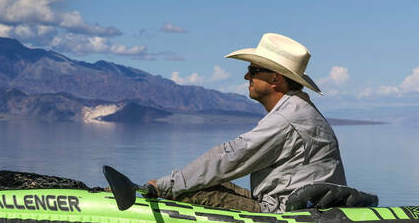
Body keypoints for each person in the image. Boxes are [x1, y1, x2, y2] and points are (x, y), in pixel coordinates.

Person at [146, 33, 345, 213]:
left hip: (284, 212)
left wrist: (165, 185)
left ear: (275, 78)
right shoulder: (300, 109)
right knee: (198, 183)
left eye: (253, 70)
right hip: (300, 204)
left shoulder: (287, 119)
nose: (246, 76)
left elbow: (231, 157)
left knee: (187, 192)